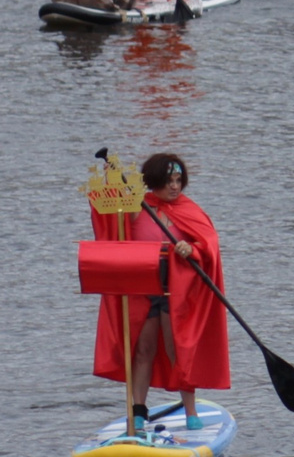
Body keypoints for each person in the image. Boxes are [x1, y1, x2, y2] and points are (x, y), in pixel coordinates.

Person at [91, 150, 229, 434]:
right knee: (143, 350)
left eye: (179, 180)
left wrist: (191, 249)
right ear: (154, 181)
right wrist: (112, 178)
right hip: (142, 288)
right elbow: (110, 220)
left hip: (176, 290)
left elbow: (209, 244)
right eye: (169, 180)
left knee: (176, 348)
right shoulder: (138, 208)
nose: (175, 186)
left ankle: (191, 412)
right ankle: (138, 413)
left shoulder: (189, 210)